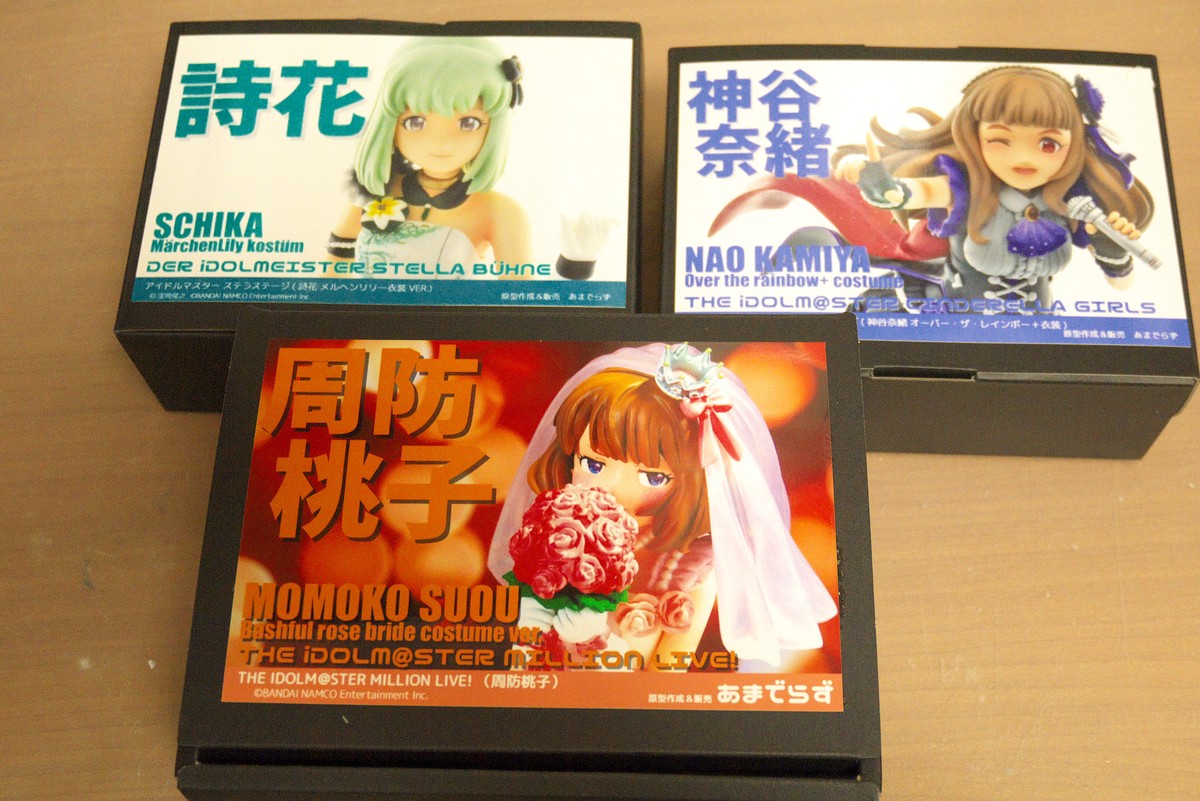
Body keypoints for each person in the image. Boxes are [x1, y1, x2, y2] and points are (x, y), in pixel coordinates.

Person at [488, 344, 837, 668]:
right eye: (593, 464)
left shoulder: (690, 566)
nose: (611, 488)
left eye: (653, 477)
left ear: (692, 482)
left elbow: (667, 675)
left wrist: (604, 649)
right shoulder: (558, 534)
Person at [833, 66, 1154, 307]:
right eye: (1001, 140)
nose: (1024, 158)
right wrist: (885, 189)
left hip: (1036, 335)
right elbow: (921, 191)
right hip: (957, 326)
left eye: (1048, 144)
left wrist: (1114, 254)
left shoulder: (1070, 202)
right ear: (975, 138)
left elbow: (1122, 286)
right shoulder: (967, 188)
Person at [327, 37, 531, 271]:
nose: (440, 143)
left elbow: (519, 289)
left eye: (469, 123)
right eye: (415, 122)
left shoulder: (498, 211)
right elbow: (332, 272)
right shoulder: (373, 193)